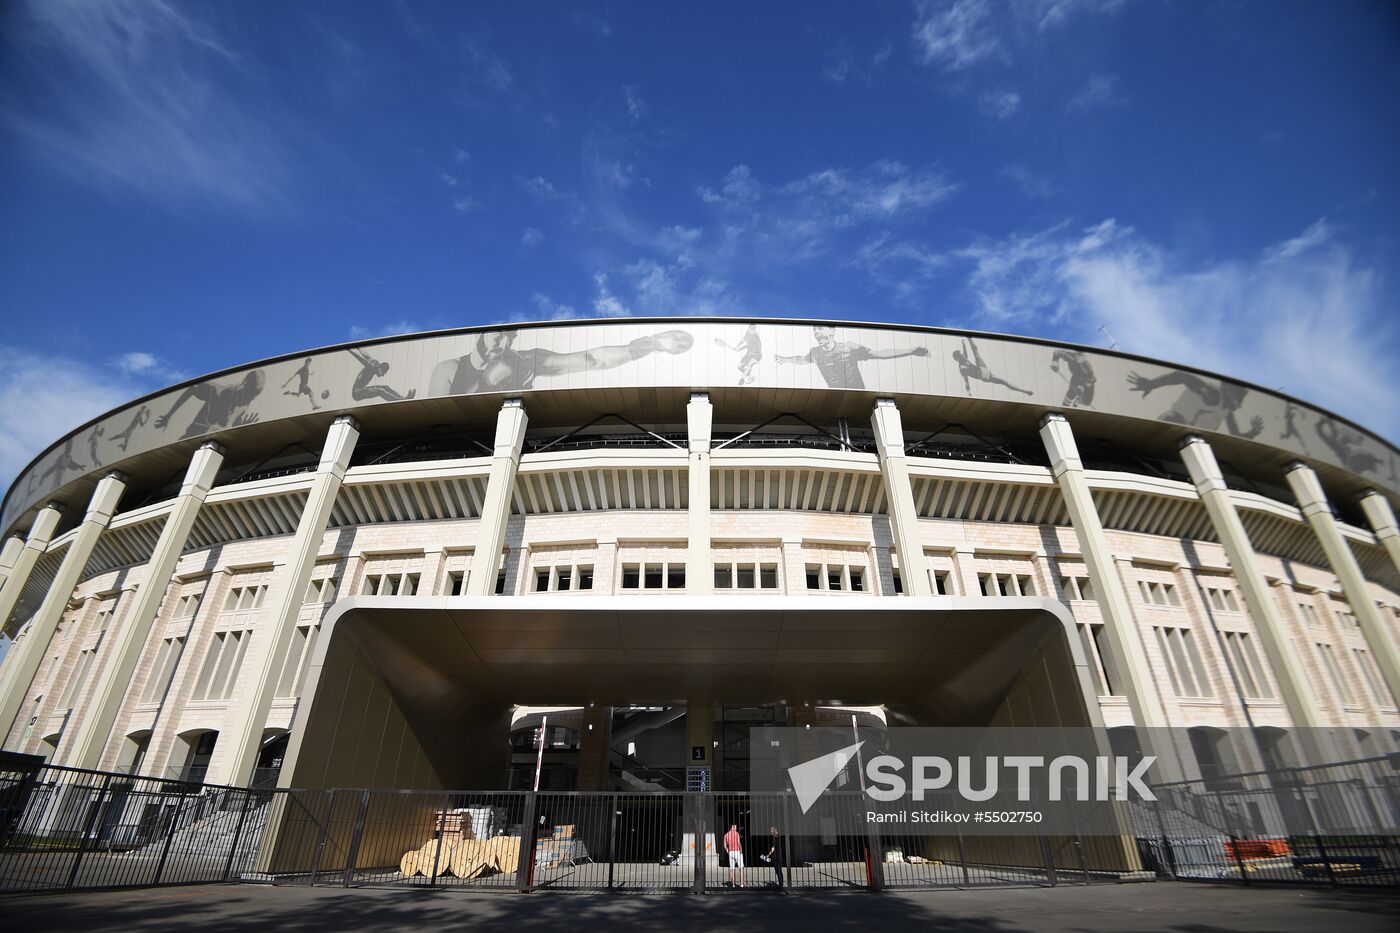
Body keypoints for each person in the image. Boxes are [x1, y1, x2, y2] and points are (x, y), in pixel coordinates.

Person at [429, 328, 694, 395]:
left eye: (509, 340)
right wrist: (487, 384)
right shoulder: (449, 369)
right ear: (481, 334)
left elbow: (592, 360)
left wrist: (648, 344)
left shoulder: (525, 361)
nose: (503, 345)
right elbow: (438, 420)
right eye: (498, 337)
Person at [774, 325, 929, 389]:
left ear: (832, 332)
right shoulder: (815, 353)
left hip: (857, 395)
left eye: (820, 329)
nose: (816, 333)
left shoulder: (849, 347)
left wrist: (910, 351)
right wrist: (786, 359)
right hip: (837, 399)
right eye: (814, 330)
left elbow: (879, 354)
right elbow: (801, 360)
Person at [1126, 370, 1263, 439]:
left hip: (1190, 435)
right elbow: (1183, 377)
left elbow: (1235, 434)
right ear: (1230, 393)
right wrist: (1152, 384)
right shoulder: (1213, 394)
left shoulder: (1226, 410)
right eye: (1239, 398)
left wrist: (1253, 432)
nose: (1240, 405)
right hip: (1174, 421)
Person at [155, 371, 266, 440]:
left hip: (214, 445)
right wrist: (169, 415)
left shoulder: (243, 407)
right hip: (191, 439)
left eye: (254, 396)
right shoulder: (220, 391)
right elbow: (193, 387)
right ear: (244, 384)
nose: (250, 399)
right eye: (250, 393)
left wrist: (244, 427)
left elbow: (231, 428)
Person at [952, 338, 1032, 396]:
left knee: (975, 352)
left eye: (961, 354)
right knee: (1004, 382)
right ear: (957, 359)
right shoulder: (962, 368)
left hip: (982, 368)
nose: (963, 355)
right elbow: (966, 381)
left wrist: (964, 344)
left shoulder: (964, 358)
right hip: (983, 375)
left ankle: (970, 337)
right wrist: (968, 392)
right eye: (960, 355)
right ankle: (1024, 391)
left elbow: (966, 352)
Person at [349, 348, 416, 402]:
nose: (383, 375)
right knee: (380, 391)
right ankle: (401, 400)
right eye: (383, 373)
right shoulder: (371, 366)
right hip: (357, 393)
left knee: (385, 387)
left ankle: (404, 398)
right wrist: (350, 350)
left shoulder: (375, 362)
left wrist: (358, 348)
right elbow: (360, 358)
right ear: (380, 369)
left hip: (363, 388)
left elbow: (367, 355)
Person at [723, 823, 745, 888]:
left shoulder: (726, 835)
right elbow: (738, 843)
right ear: (732, 827)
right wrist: (741, 851)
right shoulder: (736, 833)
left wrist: (727, 851)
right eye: (735, 827)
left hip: (730, 852)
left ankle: (733, 885)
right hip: (737, 852)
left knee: (732, 868)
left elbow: (724, 845)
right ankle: (741, 884)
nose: (736, 828)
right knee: (741, 868)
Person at [764, 825, 784, 889]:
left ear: (775, 830)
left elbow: (773, 848)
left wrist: (768, 855)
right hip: (779, 856)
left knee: (778, 871)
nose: (770, 831)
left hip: (775, 857)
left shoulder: (775, 837)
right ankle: (781, 884)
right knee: (779, 871)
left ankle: (781, 885)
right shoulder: (779, 837)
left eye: (771, 830)